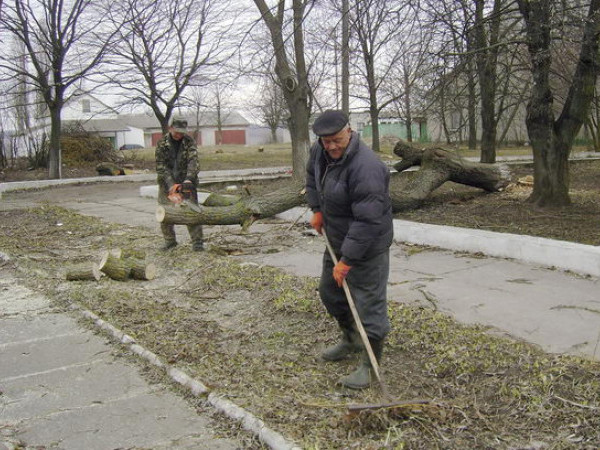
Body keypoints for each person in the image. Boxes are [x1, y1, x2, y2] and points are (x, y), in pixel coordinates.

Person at [305, 109, 394, 390]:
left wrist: (348, 260)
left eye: (336, 140)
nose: (330, 146)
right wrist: (317, 209)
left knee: (368, 306)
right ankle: (351, 339)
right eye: (325, 141)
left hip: (367, 248)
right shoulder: (320, 151)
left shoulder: (366, 167)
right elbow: (311, 176)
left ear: (349, 131)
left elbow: (368, 220)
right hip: (337, 240)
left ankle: (370, 365)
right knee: (330, 293)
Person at [155, 115, 204, 251]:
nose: (179, 135)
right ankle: (170, 241)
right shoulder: (162, 143)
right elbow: (161, 166)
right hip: (166, 183)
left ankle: (197, 243)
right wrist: (171, 184)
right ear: (171, 128)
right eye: (176, 132)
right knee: (165, 212)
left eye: (182, 132)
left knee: (192, 211)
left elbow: (193, 161)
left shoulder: (189, 142)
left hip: (186, 182)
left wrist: (189, 179)